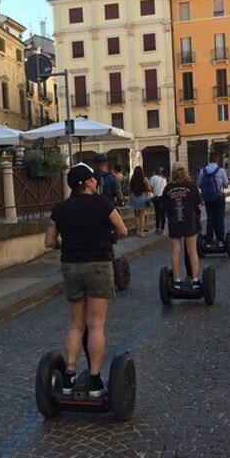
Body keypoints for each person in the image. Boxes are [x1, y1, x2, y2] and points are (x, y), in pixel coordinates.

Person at [44, 163, 128, 398]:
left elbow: (49, 242)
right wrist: (106, 235)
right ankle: (93, 380)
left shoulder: (60, 208)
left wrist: (65, 242)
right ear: (89, 182)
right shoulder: (102, 203)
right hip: (98, 265)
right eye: (93, 179)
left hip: (71, 267)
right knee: (96, 325)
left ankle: (69, 375)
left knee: (76, 324)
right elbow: (123, 231)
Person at [161, 162, 202, 286]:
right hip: (189, 221)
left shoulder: (168, 188)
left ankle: (177, 280)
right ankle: (195, 280)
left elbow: (164, 206)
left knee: (175, 251)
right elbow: (199, 204)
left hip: (174, 221)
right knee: (192, 251)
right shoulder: (191, 187)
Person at [197, 152, 228, 247]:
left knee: (210, 218)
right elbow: (226, 185)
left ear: (209, 159)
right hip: (219, 196)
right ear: (217, 160)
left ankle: (209, 241)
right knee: (219, 218)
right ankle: (220, 240)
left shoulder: (203, 170)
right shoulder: (221, 170)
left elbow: (199, 184)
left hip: (207, 197)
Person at [128, 166, 152, 237]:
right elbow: (149, 188)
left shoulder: (132, 179)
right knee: (142, 216)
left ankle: (137, 231)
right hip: (142, 197)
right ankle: (141, 232)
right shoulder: (144, 178)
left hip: (134, 197)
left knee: (136, 216)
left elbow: (130, 190)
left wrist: (130, 199)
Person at [149, 167, 167, 234]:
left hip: (157, 198)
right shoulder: (164, 179)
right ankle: (162, 228)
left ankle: (157, 228)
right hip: (163, 197)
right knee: (163, 213)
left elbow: (151, 188)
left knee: (157, 213)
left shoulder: (153, 178)